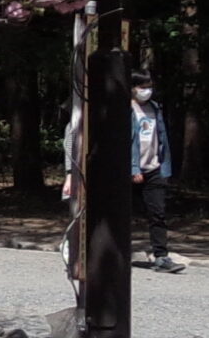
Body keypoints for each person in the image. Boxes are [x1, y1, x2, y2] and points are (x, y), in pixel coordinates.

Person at [63, 69, 181, 273]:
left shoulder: (155, 108)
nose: (147, 91)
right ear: (132, 88)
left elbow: (161, 139)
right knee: (118, 214)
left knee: (158, 213)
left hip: (154, 168)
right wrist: (133, 168)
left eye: (149, 86)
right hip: (128, 171)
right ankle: (109, 253)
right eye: (142, 87)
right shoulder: (123, 110)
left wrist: (164, 166)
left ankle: (161, 256)